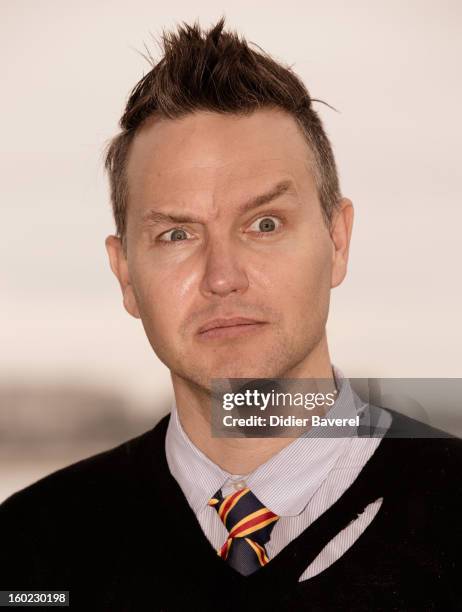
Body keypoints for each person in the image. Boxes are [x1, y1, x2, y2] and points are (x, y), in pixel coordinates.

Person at [0, 18, 460, 611]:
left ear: (337, 241)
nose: (222, 276)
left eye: (264, 224)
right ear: (125, 275)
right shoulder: (30, 551)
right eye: (176, 234)